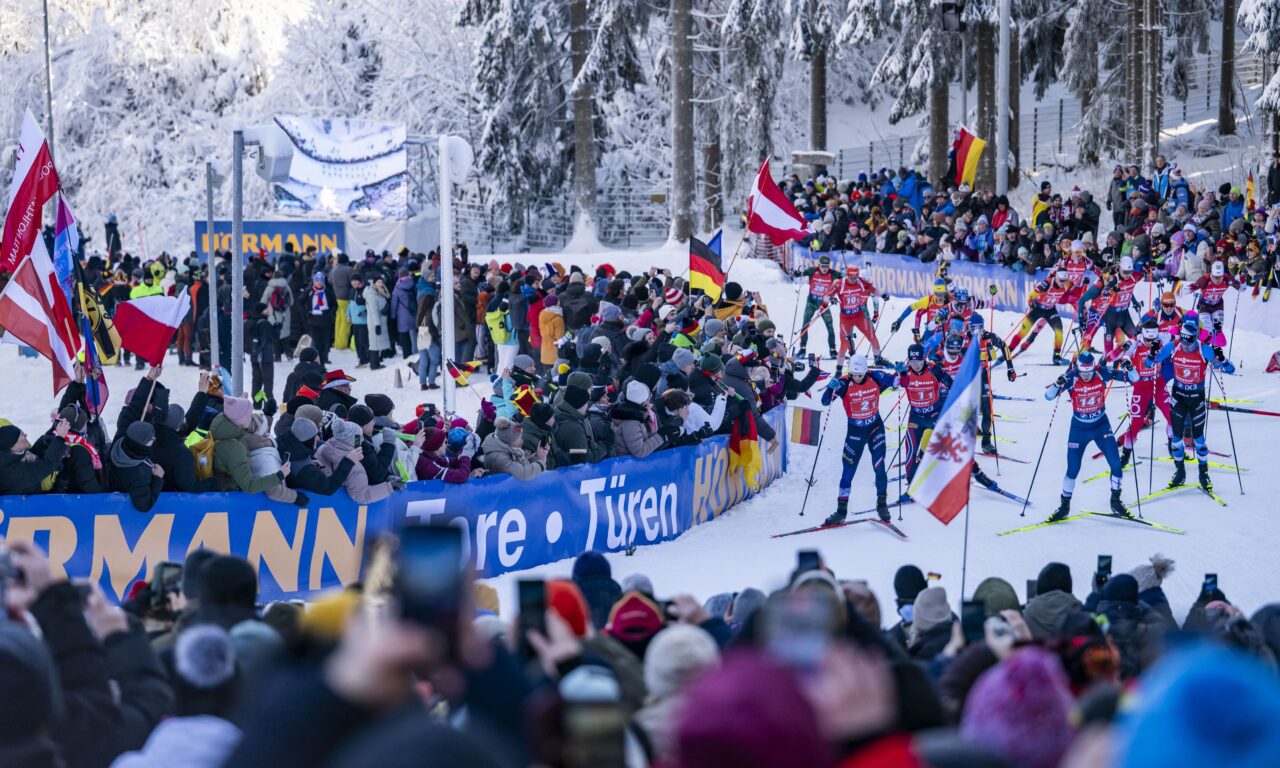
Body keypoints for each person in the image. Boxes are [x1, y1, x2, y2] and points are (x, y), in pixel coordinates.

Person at [1149, 320, 1235, 492]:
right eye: (1183, 340)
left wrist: (1222, 358)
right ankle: (1180, 472)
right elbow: (1148, 364)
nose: (1186, 345)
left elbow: (1230, 369)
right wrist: (1152, 354)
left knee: (1199, 439)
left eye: (1189, 341)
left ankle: (1203, 474)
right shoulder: (1173, 346)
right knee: (1176, 437)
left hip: (1197, 398)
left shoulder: (1204, 349)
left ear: (1195, 338)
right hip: (1179, 397)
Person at [1044, 351, 1128, 521]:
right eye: (1084, 373)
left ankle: (1115, 501)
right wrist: (1056, 383)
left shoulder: (1100, 372)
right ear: (1078, 369)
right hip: (1079, 429)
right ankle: (1064, 506)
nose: (1087, 376)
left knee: (1116, 465)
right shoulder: (1071, 377)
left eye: (1089, 372)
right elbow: (1048, 396)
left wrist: (1129, 368)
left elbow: (1133, 378)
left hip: (1100, 426)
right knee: (1073, 469)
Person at [820, 355, 896, 524]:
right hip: (855, 432)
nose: (857, 377)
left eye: (860, 375)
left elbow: (897, 383)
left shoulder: (875, 376)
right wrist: (830, 389)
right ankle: (841, 511)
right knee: (848, 471)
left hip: (875, 428)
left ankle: (882, 505)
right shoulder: (844, 382)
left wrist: (902, 372)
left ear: (865, 371)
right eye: (854, 374)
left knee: (879, 466)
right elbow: (825, 402)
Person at [894, 343, 952, 498]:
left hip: (934, 414)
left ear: (924, 359)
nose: (916, 366)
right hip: (916, 417)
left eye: (919, 362)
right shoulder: (904, 372)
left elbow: (952, 385)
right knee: (910, 449)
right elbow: (890, 384)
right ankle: (911, 487)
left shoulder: (934, 369)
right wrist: (896, 375)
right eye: (913, 363)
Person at [314, 420, 394, 502]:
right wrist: (391, 487)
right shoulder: (352, 466)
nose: (362, 440)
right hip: (339, 506)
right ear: (356, 440)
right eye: (360, 438)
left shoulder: (324, 447)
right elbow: (362, 496)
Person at [1009, 268, 1073, 364]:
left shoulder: (1067, 283)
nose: (1063, 283)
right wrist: (1031, 303)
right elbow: (1031, 295)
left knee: (1059, 332)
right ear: (1056, 278)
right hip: (1037, 309)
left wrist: (1084, 284)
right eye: (1061, 280)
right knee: (1022, 332)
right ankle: (1008, 352)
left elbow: (1077, 290)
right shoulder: (1047, 284)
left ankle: (1056, 356)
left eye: (1065, 280)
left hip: (1050, 310)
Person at [833, 264, 890, 367]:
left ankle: (878, 359)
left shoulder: (864, 285)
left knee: (872, 335)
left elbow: (875, 300)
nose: (854, 280)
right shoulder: (843, 284)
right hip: (847, 315)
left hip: (862, 312)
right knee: (847, 338)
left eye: (856, 278)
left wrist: (876, 312)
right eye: (851, 278)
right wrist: (831, 298)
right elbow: (835, 289)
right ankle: (852, 357)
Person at [0, 419, 69, 494]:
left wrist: (44, 440)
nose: (26, 434)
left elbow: (31, 453)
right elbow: (47, 465)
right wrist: (60, 437)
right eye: (22, 436)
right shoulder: (12, 472)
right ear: (13, 446)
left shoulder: (9, 453)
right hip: (26, 502)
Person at [109, 421, 166, 512]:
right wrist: (158, 478)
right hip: (122, 513)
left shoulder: (120, 442)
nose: (154, 439)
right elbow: (145, 505)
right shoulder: (139, 474)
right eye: (151, 439)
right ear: (141, 445)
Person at [794, 254, 839, 358]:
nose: (824, 268)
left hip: (824, 305)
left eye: (826, 266)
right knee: (805, 325)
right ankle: (802, 349)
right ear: (819, 265)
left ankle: (833, 350)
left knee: (830, 327)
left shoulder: (833, 274)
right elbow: (797, 274)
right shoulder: (812, 271)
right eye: (823, 266)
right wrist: (798, 271)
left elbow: (845, 279)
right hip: (811, 303)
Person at [611, 381, 666, 458]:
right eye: (648, 397)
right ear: (642, 400)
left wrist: (660, 433)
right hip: (629, 467)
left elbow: (640, 438)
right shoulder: (631, 422)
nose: (649, 401)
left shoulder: (633, 415)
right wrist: (662, 436)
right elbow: (640, 451)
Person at [482, 417, 547, 479]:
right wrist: (541, 463)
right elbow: (523, 474)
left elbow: (519, 466)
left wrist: (536, 456)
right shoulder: (499, 458)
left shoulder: (504, 448)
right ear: (511, 441)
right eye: (519, 437)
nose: (522, 439)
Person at [364, 275, 392, 369]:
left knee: (377, 343)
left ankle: (377, 362)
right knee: (374, 344)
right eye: (378, 282)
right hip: (375, 322)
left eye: (381, 282)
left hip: (381, 320)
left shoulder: (379, 292)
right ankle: (374, 364)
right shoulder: (372, 295)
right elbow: (374, 311)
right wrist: (377, 325)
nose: (380, 284)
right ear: (374, 283)